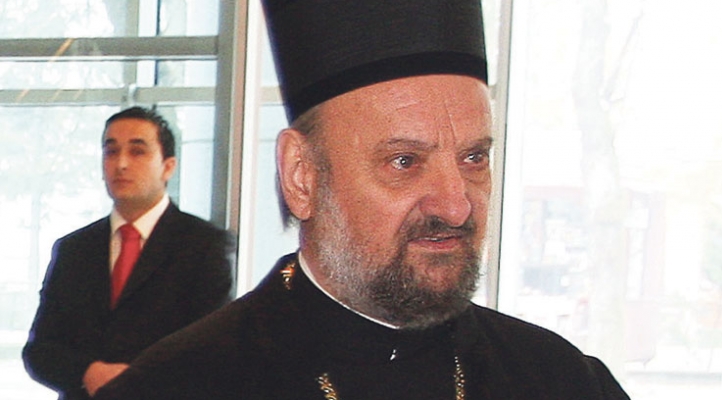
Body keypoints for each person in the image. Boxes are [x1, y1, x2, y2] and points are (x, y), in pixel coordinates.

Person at [93, 1, 630, 399]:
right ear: (302, 176)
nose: (456, 206)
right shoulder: (175, 386)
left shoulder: (560, 380)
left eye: (474, 158)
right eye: (405, 161)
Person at [22, 106, 237, 400]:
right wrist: (88, 372)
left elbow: (214, 354)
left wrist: (139, 382)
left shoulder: (205, 245)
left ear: (168, 167)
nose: (121, 164)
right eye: (111, 152)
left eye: (137, 151)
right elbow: (39, 351)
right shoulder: (74, 249)